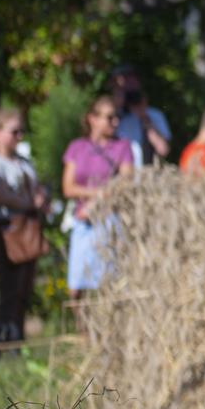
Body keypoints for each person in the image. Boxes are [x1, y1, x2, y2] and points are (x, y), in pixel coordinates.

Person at [0, 107, 48, 344]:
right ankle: (3, 335)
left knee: (24, 287)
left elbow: (36, 190)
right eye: (14, 131)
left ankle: (16, 335)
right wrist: (29, 203)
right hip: (6, 228)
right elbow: (0, 196)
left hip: (28, 228)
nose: (19, 136)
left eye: (21, 131)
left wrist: (41, 199)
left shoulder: (24, 162)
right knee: (9, 286)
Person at [62, 94, 133, 296]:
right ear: (93, 119)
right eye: (109, 117)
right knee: (76, 286)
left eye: (116, 117)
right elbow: (68, 188)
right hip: (83, 220)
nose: (115, 122)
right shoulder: (77, 147)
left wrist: (96, 203)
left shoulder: (122, 147)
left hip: (109, 219)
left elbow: (125, 184)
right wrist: (97, 195)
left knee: (106, 283)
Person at [109, 65, 172, 167]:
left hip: (146, 173)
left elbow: (163, 150)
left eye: (132, 84)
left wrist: (144, 118)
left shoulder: (154, 115)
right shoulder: (110, 117)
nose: (129, 91)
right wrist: (116, 109)